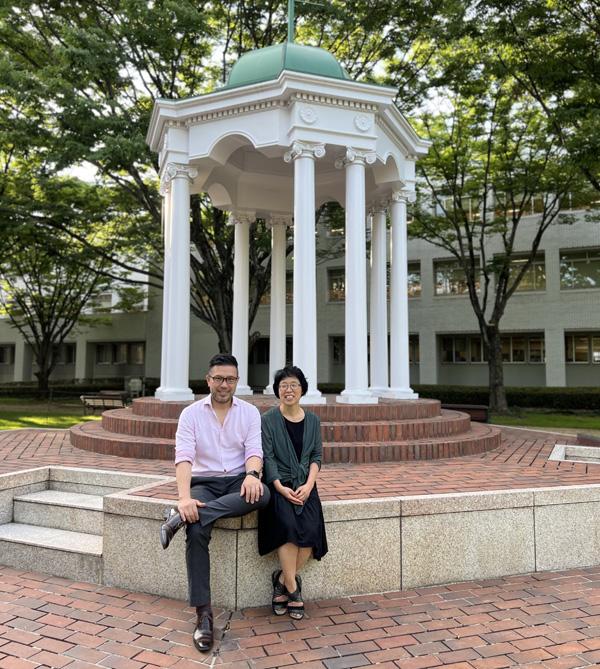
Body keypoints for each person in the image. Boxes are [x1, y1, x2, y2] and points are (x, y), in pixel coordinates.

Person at [159, 353, 269, 653]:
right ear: (208, 380)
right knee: (196, 531)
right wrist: (184, 498)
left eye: (230, 379)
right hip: (204, 483)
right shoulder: (191, 414)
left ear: (237, 381)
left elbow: (254, 450)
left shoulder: (249, 413)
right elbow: (183, 458)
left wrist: (252, 474)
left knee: (264, 493)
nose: (224, 384)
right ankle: (203, 615)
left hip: (237, 481)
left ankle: (179, 518)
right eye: (218, 378)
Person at [258, 365, 328, 620]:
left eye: (293, 385)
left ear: (302, 390)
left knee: (310, 537)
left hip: (306, 486)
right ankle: (294, 591)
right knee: (288, 528)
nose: (288, 390)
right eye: (283, 385)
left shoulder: (313, 420)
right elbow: (268, 456)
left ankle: (280, 582)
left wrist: (309, 485)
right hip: (279, 485)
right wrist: (278, 486)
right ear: (278, 391)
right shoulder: (267, 419)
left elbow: (316, 457)